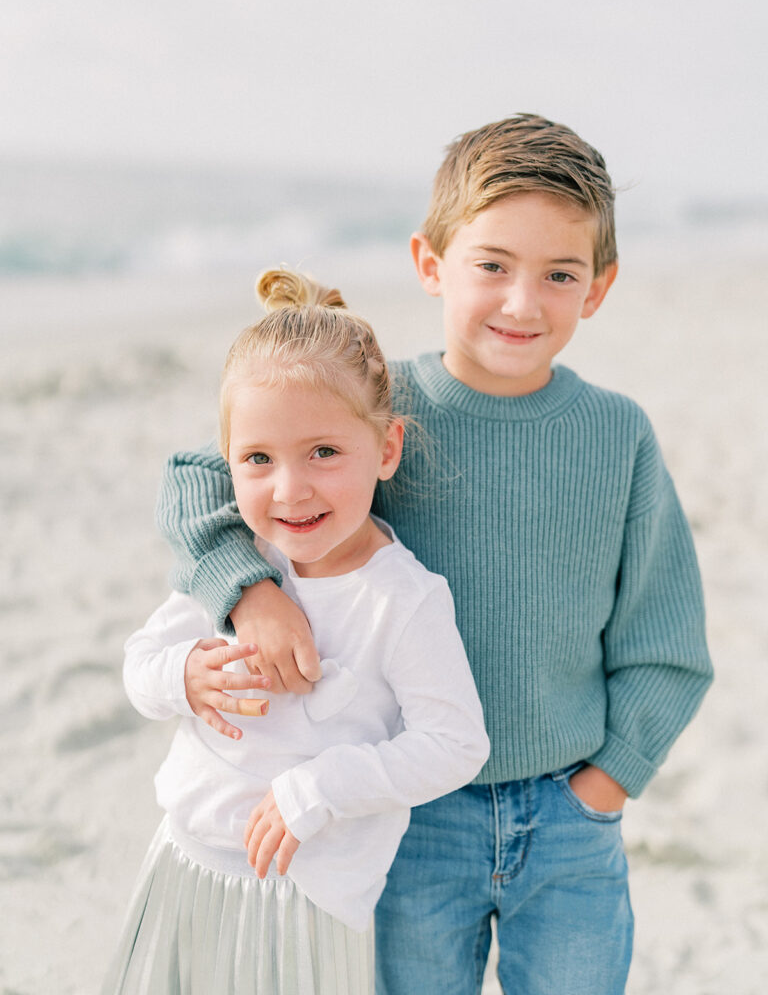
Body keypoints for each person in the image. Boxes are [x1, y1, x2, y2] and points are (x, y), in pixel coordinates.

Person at [155, 115, 714, 994]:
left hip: (568, 813)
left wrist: (608, 782)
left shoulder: (617, 436)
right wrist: (248, 588)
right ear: (430, 265)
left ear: (597, 289)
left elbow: (667, 640)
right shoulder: (374, 409)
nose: (522, 302)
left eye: (558, 274)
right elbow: (198, 475)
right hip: (406, 811)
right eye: (492, 265)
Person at [103, 268, 490, 995]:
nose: (290, 489)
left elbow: (457, 745)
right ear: (230, 464)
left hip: (305, 896)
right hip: (186, 863)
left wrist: (319, 788)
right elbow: (140, 668)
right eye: (258, 459)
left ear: (386, 448)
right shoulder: (239, 568)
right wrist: (183, 673)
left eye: (324, 453)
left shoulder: (401, 599)